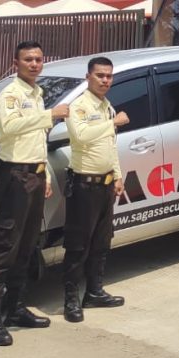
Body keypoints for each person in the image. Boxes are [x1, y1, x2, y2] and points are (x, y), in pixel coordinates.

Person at [0, 41, 69, 346]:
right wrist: (51, 115)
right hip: (14, 174)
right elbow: (11, 126)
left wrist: (42, 170)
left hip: (33, 173)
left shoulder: (36, 93)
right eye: (28, 59)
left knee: (28, 244)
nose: (34, 64)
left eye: (38, 59)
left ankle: (15, 307)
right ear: (16, 62)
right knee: (5, 244)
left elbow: (36, 139)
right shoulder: (10, 94)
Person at [61, 56, 127, 323]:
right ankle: (70, 299)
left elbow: (110, 146)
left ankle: (95, 291)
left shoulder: (106, 106)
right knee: (78, 245)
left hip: (105, 184)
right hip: (84, 185)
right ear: (88, 77)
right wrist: (113, 123)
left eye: (109, 76)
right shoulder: (79, 106)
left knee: (101, 242)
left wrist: (118, 175)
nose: (105, 81)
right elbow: (80, 136)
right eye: (100, 75)